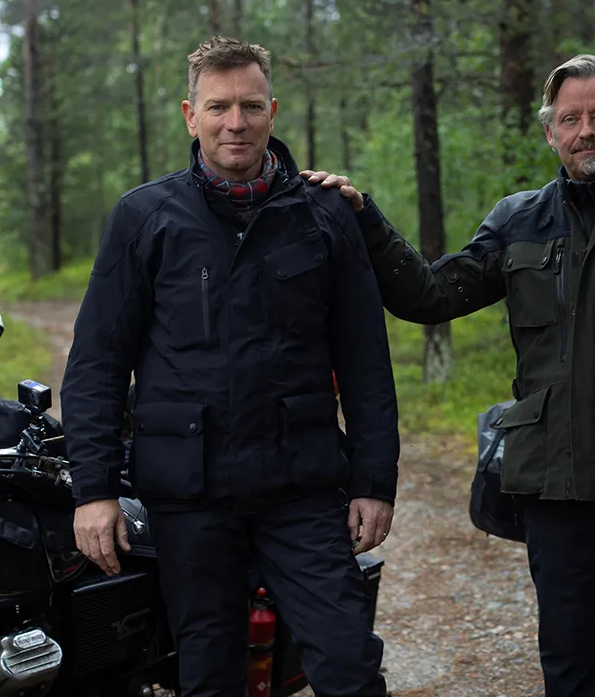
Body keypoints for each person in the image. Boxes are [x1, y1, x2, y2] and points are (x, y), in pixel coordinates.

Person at [302, 53, 595, 696]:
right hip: (559, 484)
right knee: (572, 668)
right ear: (550, 133)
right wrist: (364, 218)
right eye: (570, 119)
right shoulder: (519, 220)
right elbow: (432, 296)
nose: (587, 132)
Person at [59, 36, 399, 697]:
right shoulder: (144, 217)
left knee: (348, 664)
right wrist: (93, 489)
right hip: (189, 495)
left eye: (248, 106)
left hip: (298, 487)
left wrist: (374, 480)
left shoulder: (325, 215)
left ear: (272, 110)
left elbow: (365, 362)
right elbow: (98, 362)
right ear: (191, 116)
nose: (234, 123)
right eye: (217, 108)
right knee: (209, 675)